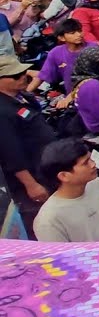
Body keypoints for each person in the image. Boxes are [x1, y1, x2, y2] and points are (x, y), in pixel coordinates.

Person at [33, 138, 99, 242]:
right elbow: (61, 256)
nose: (93, 164)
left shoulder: (96, 183)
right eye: (86, 163)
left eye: (91, 158)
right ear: (64, 176)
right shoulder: (49, 221)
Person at [0, 56, 57, 230]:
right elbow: (10, 153)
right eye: (16, 76)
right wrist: (31, 185)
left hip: (47, 167)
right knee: (44, 222)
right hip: (33, 177)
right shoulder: (2, 112)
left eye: (23, 72)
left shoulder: (21, 97)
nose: (23, 76)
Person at [30, 18, 99, 98]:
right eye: (73, 33)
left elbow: (95, 77)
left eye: (79, 31)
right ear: (61, 38)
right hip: (75, 99)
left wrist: (71, 96)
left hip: (96, 93)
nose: (78, 35)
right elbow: (43, 75)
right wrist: (26, 93)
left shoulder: (93, 48)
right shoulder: (55, 53)